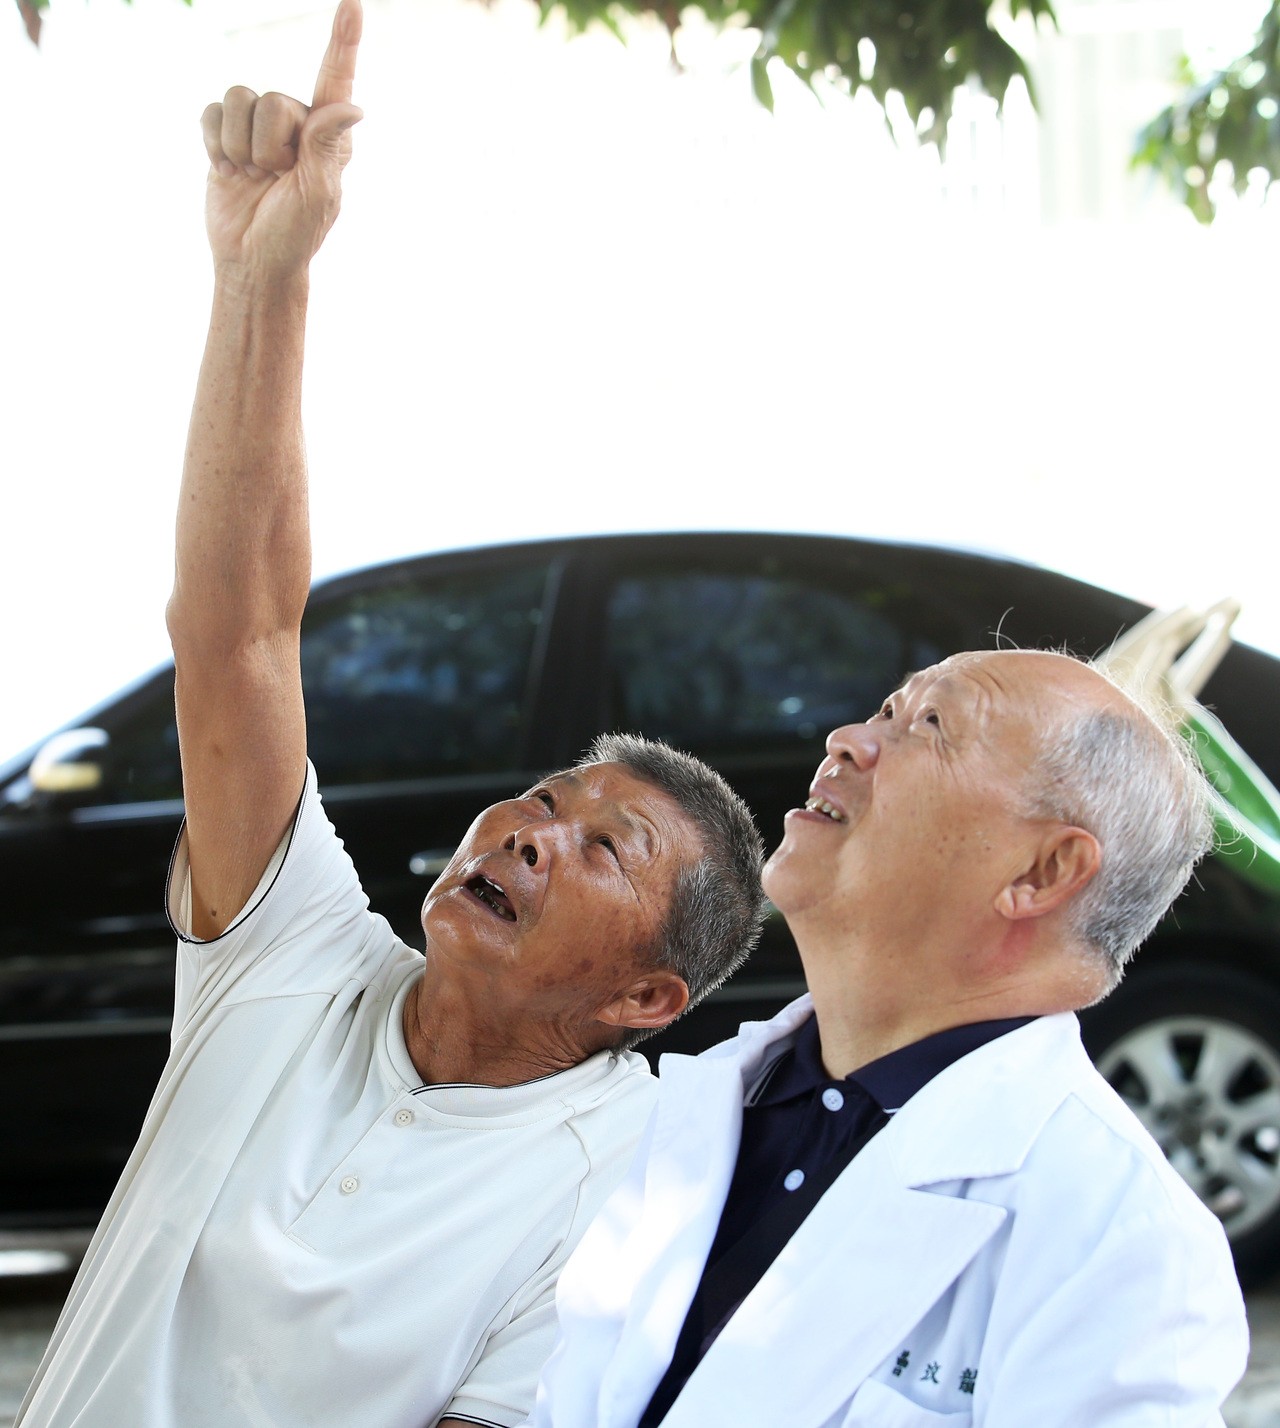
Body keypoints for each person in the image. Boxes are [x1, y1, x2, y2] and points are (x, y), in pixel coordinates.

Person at [14, 5, 765, 1426]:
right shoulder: (294, 960)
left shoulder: (628, 1184)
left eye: (603, 850)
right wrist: (260, 276)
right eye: (544, 802)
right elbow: (237, 636)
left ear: (645, 1001)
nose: (532, 835)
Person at [528, 649, 1251, 1427]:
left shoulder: (1124, 1249)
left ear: (1041, 873)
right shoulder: (693, 1111)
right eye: (883, 712)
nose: (846, 739)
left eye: (932, 725)